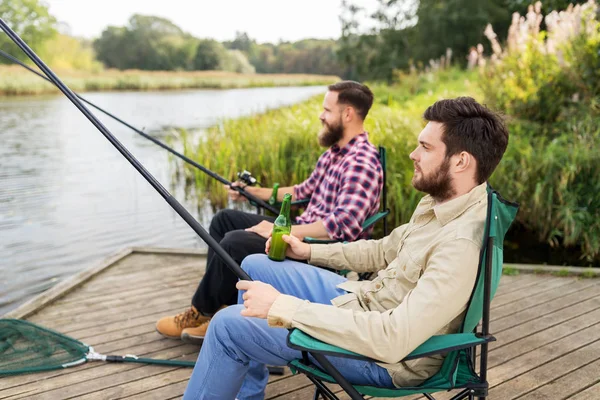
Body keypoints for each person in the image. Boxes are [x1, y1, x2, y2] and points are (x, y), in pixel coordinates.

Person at [182, 96, 510, 400]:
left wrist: (286, 307)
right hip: (364, 300)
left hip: (384, 359)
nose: (413, 154)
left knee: (227, 325)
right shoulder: (440, 203)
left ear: (461, 161)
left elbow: (393, 338)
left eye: (425, 147)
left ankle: (238, 349)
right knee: (255, 264)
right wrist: (309, 251)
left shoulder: (460, 244)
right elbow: (383, 250)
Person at [156, 81, 384, 343]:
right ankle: (221, 309)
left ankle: (201, 311)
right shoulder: (335, 154)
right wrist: (252, 192)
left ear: (347, 114)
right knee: (224, 220)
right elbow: (301, 191)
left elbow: (343, 225)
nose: (321, 115)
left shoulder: (360, 161)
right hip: (299, 232)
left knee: (234, 242)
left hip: (315, 249)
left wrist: (281, 230)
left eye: (327, 110)